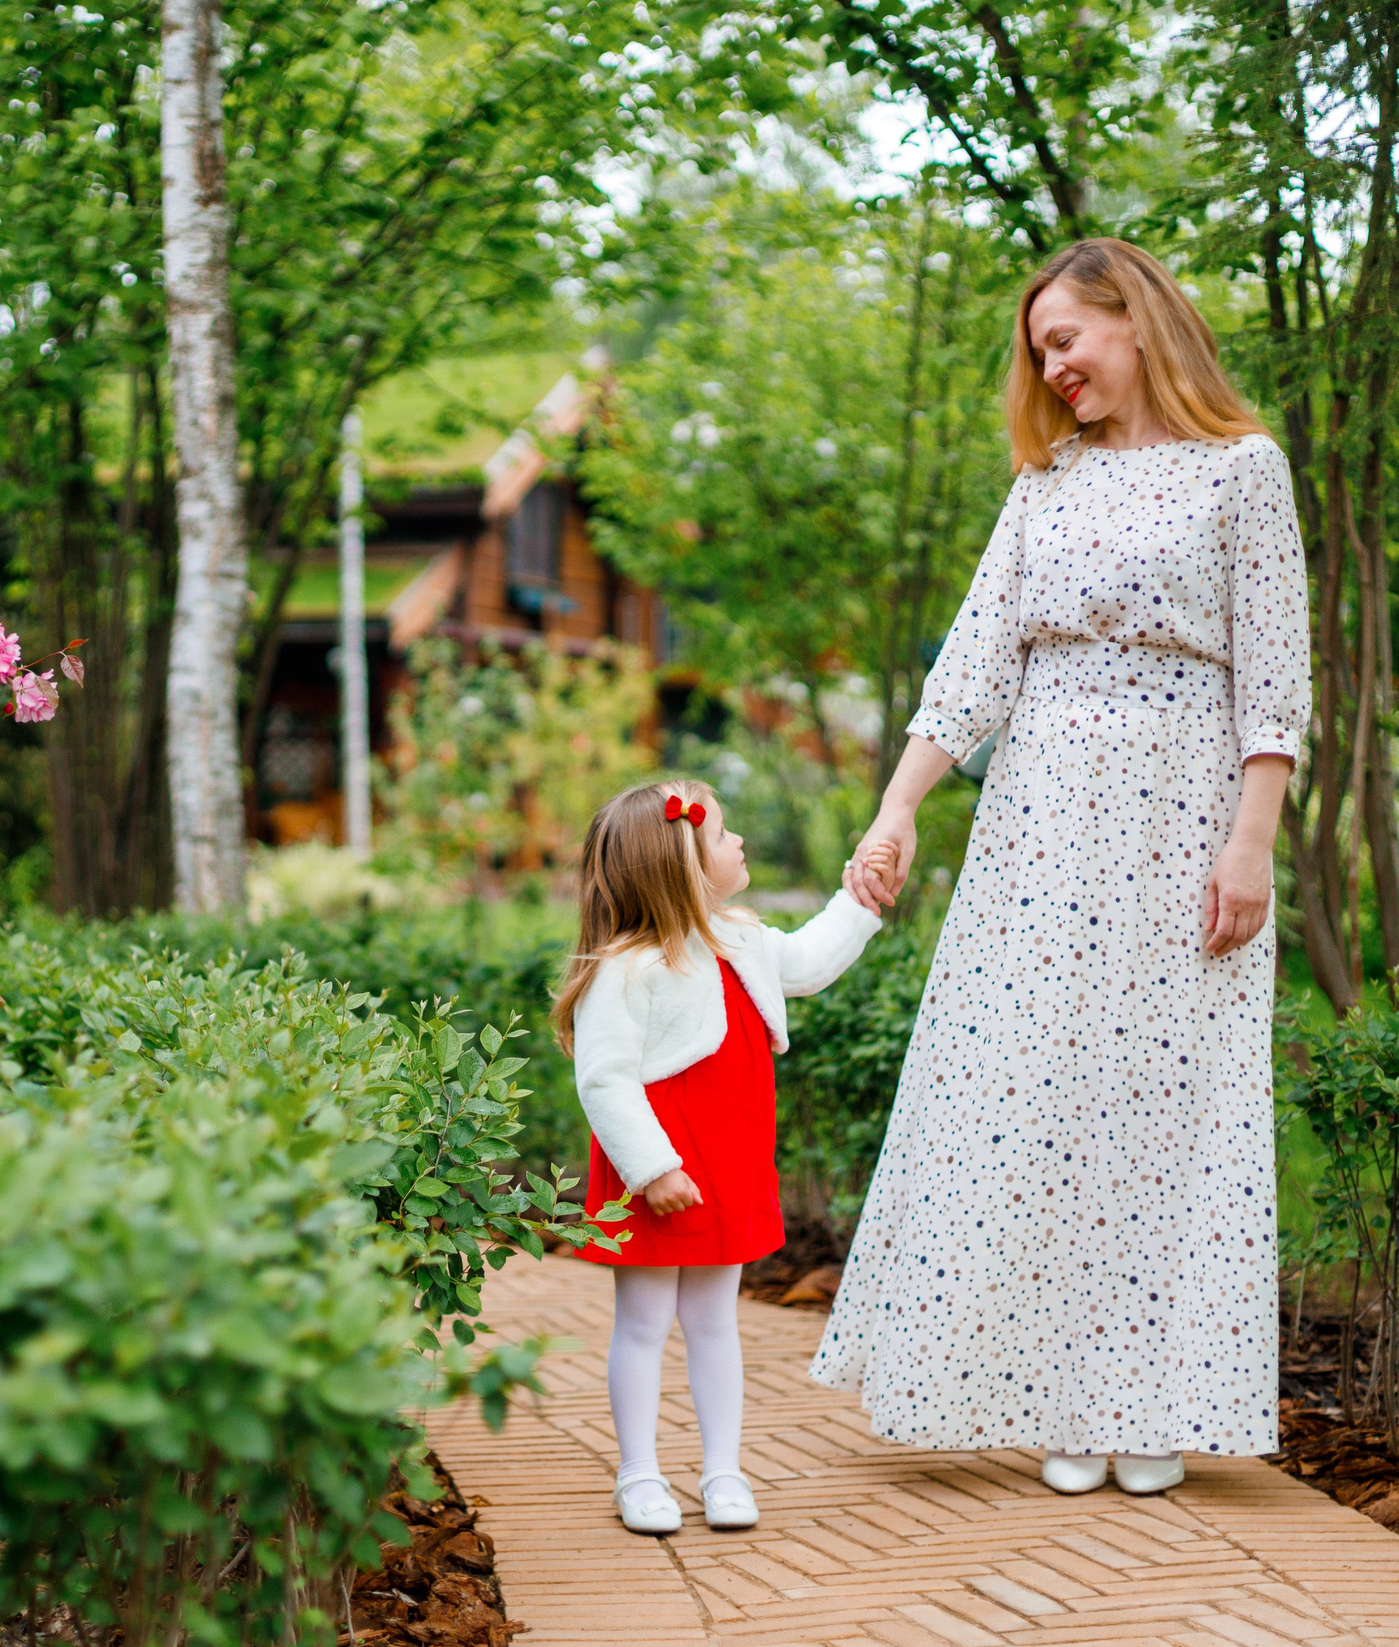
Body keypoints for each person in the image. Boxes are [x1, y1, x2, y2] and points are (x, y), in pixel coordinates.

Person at [812, 237, 1313, 1497]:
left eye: (1065, 341)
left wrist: (1249, 844)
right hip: (1038, 821)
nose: (1053, 367)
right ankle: (1053, 1397)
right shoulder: (1047, 482)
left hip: (1181, 813)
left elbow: (1277, 678)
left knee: (1162, 1098)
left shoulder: (1242, 470)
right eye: (1040, 352)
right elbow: (974, 663)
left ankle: (1153, 1399)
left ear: (1133, 322)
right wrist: (897, 813)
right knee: (1033, 1089)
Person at [554, 778, 889, 1534]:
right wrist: (652, 1166)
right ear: (684, 867)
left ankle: (722, 1470)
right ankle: (639, 1473)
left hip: (728, 1163)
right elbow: (603, 1078)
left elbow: (806, 961)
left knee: (715, 1318)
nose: (738, 844)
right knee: (642, 1322)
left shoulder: (742, 939)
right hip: (662, 1171)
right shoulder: (627, 968)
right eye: (724, 836)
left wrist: (858, 902)